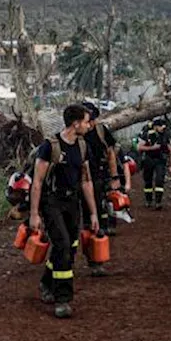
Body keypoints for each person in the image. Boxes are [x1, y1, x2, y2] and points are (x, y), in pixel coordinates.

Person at [30, 104, 100, 318]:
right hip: (52, 202)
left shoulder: (82, 146)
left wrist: (94, 213)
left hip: (73, 203)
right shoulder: (49, 147)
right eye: (87, 121)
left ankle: (46, 283)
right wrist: (34, 213)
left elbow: (86, 181)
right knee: (61, 246)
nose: (89, 126)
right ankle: (63, 299)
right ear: (75, 123)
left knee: (69, 247)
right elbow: (37, 182)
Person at [80, 100, 123, 243]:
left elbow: (110, 153)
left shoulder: (100, 130)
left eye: (92, 120)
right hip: (81, 174)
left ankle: (105, 226)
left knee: (103, 198)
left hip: (100, 171)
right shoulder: (75, 133)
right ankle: (88, 225)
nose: (90, 124)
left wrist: (114, 176)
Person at [135, 116, 171, 209]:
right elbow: (139, 147)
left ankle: (158, 202)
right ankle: (148, 201)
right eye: (160, 126)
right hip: (149, 159)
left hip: (160, 160)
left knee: (159, 180)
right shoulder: (147, 134)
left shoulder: (165, 135)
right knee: (148, 180)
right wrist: (152, 148)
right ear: (155, 126)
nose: (162, 128)